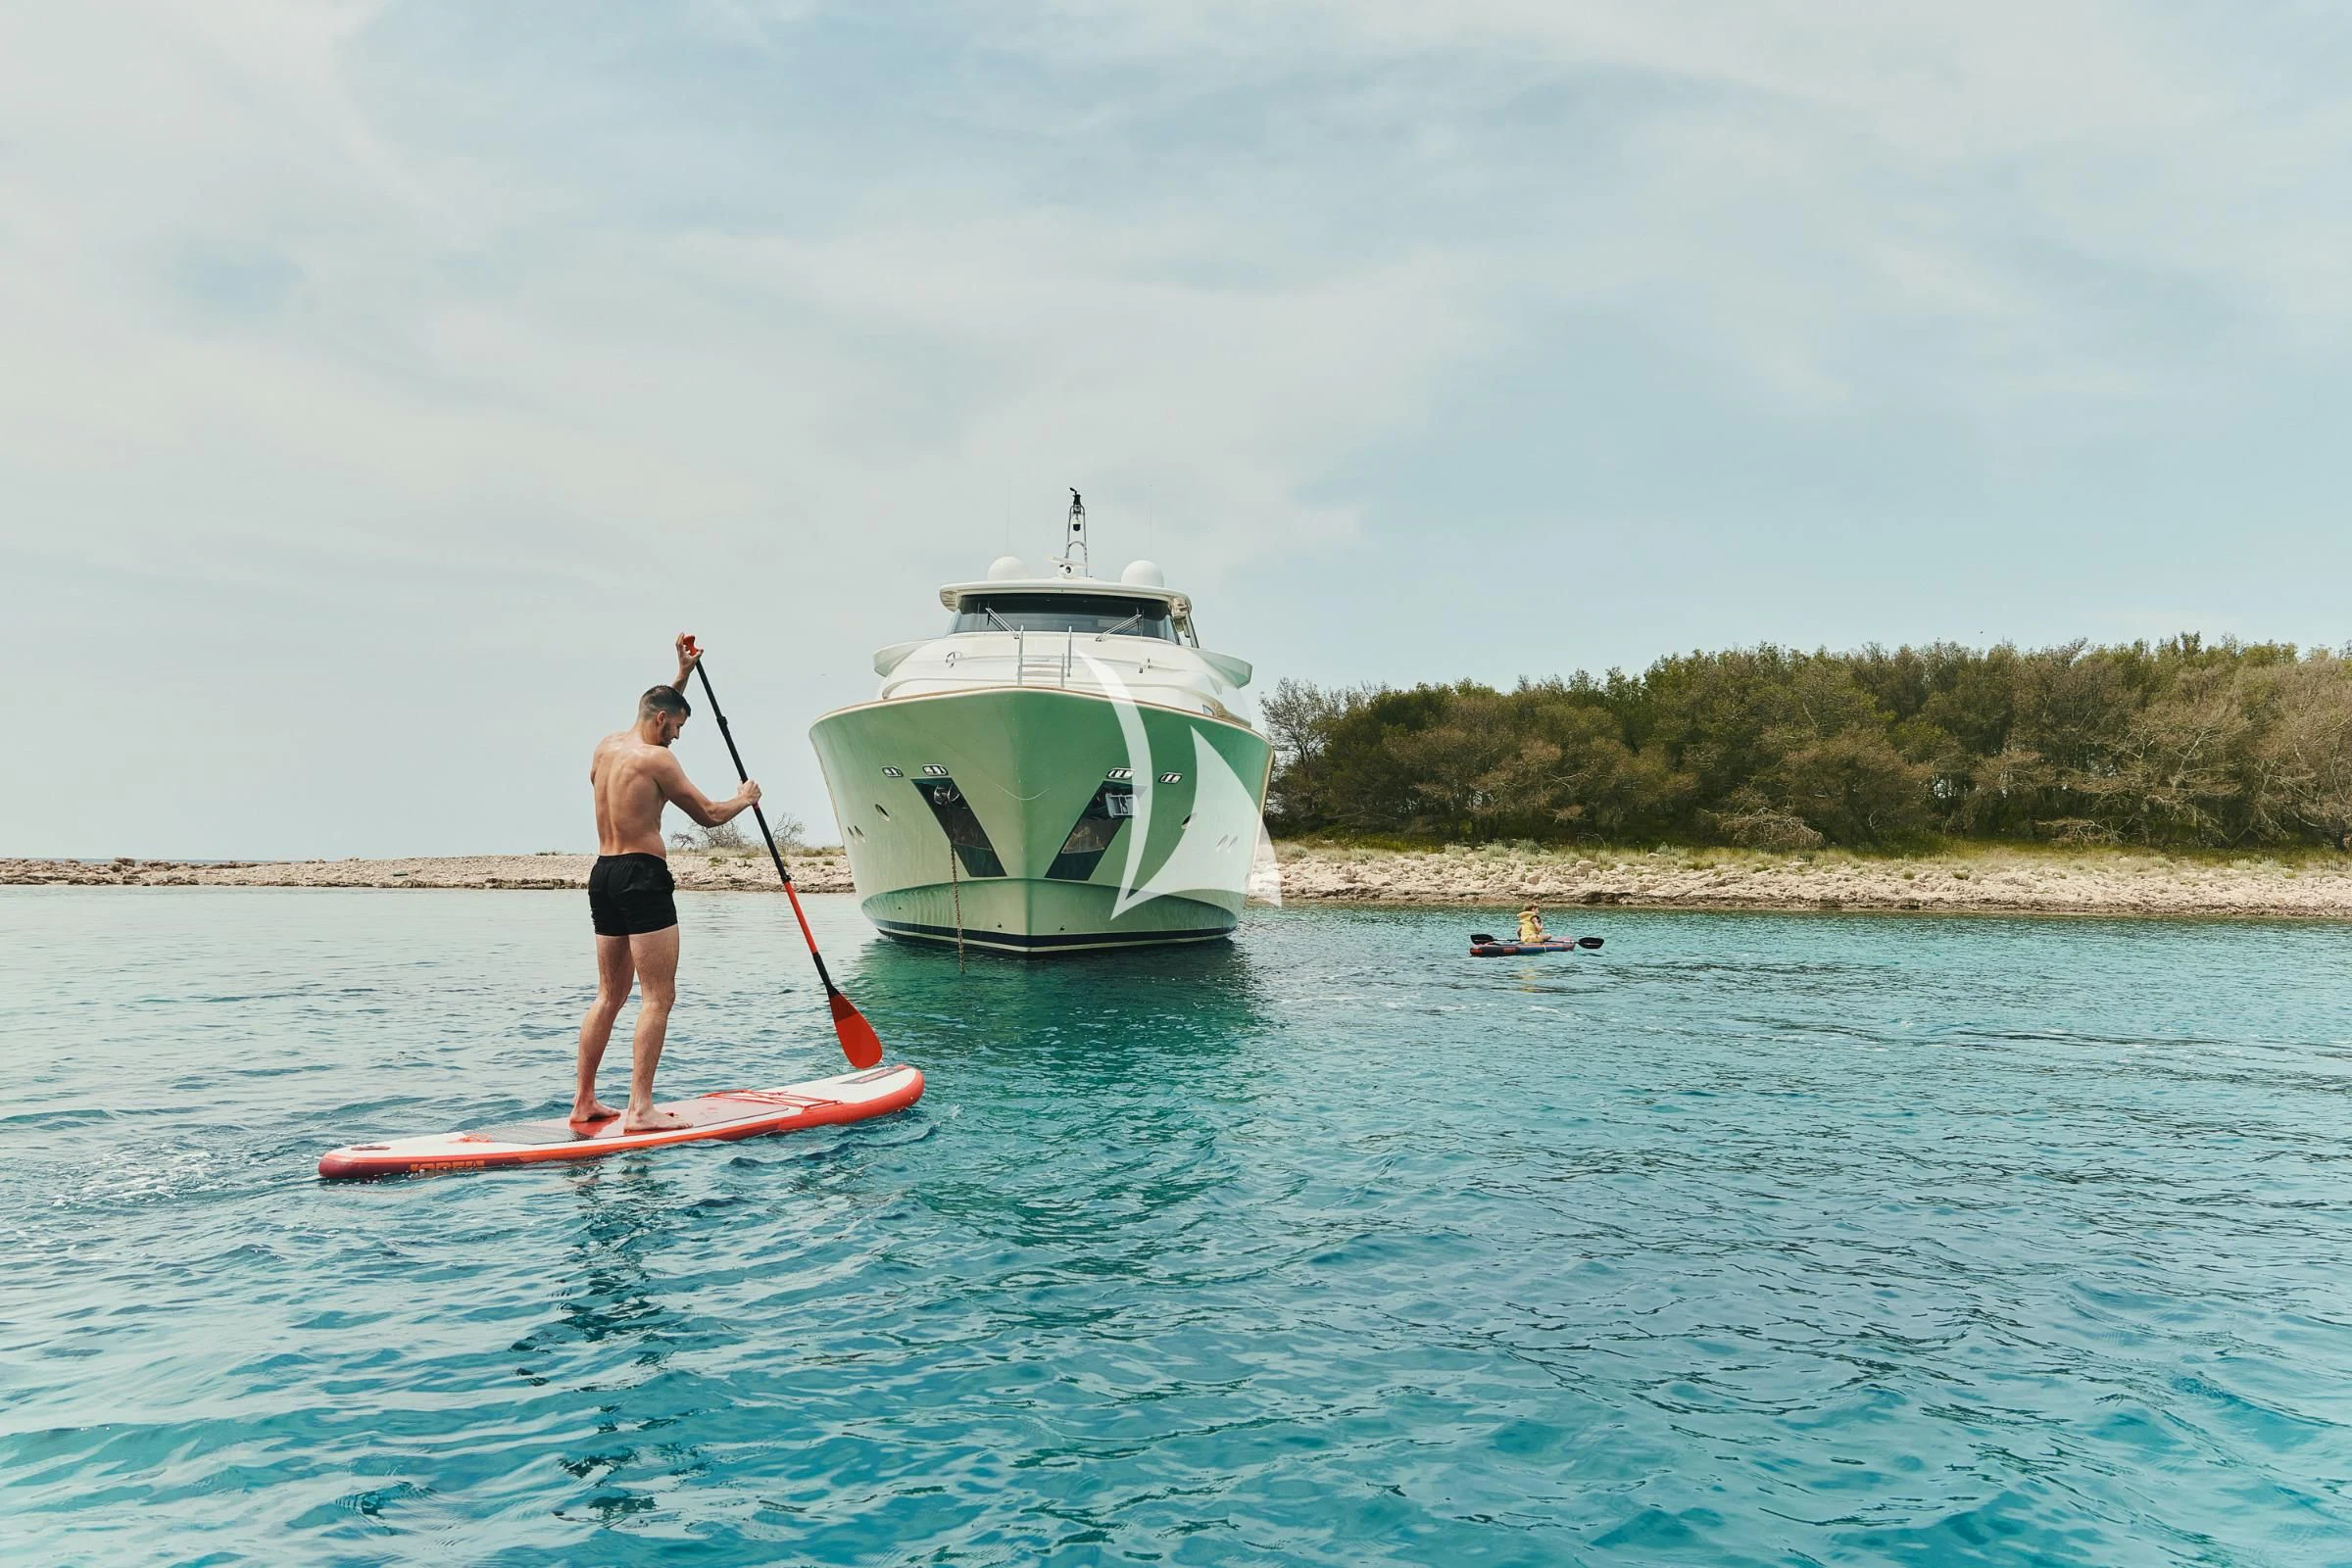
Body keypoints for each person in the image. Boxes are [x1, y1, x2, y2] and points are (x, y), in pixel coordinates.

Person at [574, 635, 761, 1132]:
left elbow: (654, 707)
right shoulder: (658, 760)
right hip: (642, 876)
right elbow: (709, 816)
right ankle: (640, 1109)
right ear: (662, 721)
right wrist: (744, 797)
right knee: (658, 996)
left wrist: (681, 675)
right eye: (677, 726)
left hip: (603, 874)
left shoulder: (605, 748)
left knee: (609, 995)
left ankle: (584, 1102)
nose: (677, 736)